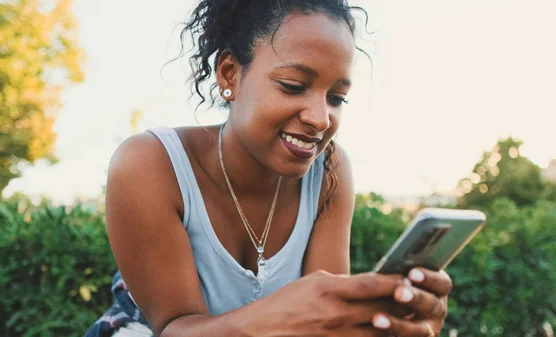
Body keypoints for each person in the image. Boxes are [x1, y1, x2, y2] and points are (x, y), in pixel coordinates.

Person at [85, 1, 452, 336]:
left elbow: (322, 328)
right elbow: (173, 329)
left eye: (336, 97)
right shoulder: (150, 164)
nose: (321, 119)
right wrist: (285, 316)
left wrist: (382, 321)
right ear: (230, 74)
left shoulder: (328, 172)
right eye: (294, 86)